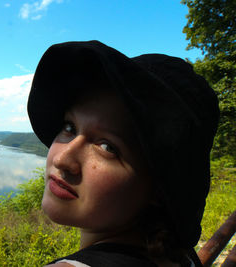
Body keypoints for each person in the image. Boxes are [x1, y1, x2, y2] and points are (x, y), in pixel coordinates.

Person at [27, 41, 219, 267]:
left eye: (108, 147)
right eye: (70, 127)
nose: (61, 159)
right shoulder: (176, 254)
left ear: (159, 188)